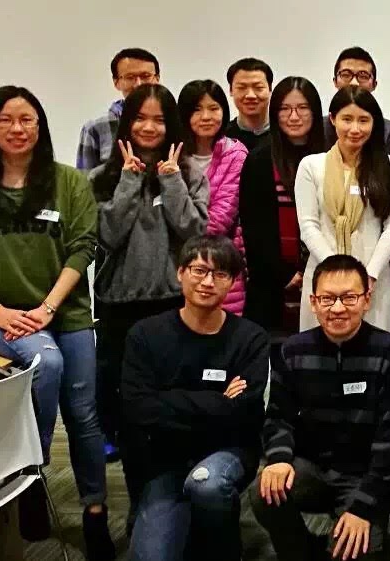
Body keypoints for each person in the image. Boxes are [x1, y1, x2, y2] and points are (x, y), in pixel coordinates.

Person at [0, 86, 114, 559]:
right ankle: (32, 477)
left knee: (84, 413)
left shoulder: (67, 182)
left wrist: (48, 308)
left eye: (27, 119)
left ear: (40, 126)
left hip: (65, 312)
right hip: (1, 316)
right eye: (6, 120)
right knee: (46, 365)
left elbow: (83, 247)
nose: (17, 129)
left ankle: (95, 509)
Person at [121, 235, 269, 561]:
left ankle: (225, 548)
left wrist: (169, 400)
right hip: (165, 457)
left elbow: (245, 411)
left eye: (220, 274)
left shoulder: (250, 338)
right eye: (199, 270)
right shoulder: (145, 334)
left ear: (232, 282)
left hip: (227, 450)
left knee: (208, 486)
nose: (208, 282)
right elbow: (137, 407)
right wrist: (218, 402)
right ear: (180, 273)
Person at [252, 254, 390, 561]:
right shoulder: (292, 351)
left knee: (356, 553)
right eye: (327, 298)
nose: (337, 308)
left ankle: (358, 527)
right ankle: (302, 551)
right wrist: (279, 459)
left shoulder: (388, 350)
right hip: (314, 470)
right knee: (264, 491)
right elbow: (278, 417)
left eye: (349, 297)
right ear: (313, 302)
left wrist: (363, 506)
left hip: (364, 476)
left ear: (366, 300)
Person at [90, 84, 209, 461]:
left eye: (159, 120)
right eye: (140, 118)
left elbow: (194, 233)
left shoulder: (189, 173)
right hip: (118, 300)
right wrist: (129, 181)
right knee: (116, 380)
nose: (149, 127)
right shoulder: (101, 178)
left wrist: (171, 181)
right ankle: (118, 442)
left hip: (172, 298)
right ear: (127, 122)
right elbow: (107, 236)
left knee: (170, 382)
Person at [296, 86, 390, 333]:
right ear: (333, 119)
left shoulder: (388, 165)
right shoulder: (311, 166)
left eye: (363, 120)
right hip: (323, 276)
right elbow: (308, 226)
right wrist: (336, 272)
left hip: (373, 279)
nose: (355, 129)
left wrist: (369, 275)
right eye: (347, 119)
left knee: (374, 347)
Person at [238, 77, 326, 335]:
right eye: (285, 109)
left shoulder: (331, 156)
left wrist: (311, 270)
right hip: (272, 283)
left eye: (302, 108)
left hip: (324, 276)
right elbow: (253, 228)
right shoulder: (259, 159)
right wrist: (286, 274)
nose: (294, 116)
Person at [179, 80, 248, 314]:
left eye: (213, 108)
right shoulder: (173, 155)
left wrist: (178, 229)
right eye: (197, 110)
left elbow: (220, 220)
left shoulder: (235, 154)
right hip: (174, 270)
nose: (206, 117)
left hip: (219, 264)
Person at [77, 47, 160, 171]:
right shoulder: (95, 128)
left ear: (157, 78)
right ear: (116, 82)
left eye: (145, 76)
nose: (138, 84)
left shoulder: (176, 121)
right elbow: (84, 180)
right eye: (130, 77)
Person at [324, 46, 390, 154]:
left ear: (374, 85)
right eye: (346, 75)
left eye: (363, 76)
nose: (354, 82)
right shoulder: (319, 128)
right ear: (335, 81)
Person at [225, 57, 275, 152]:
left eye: (258, 87)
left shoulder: (286, 135)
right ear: (231, 91)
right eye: (242, 88)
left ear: (270, 89)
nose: (250, 95)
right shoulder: (221, 138)